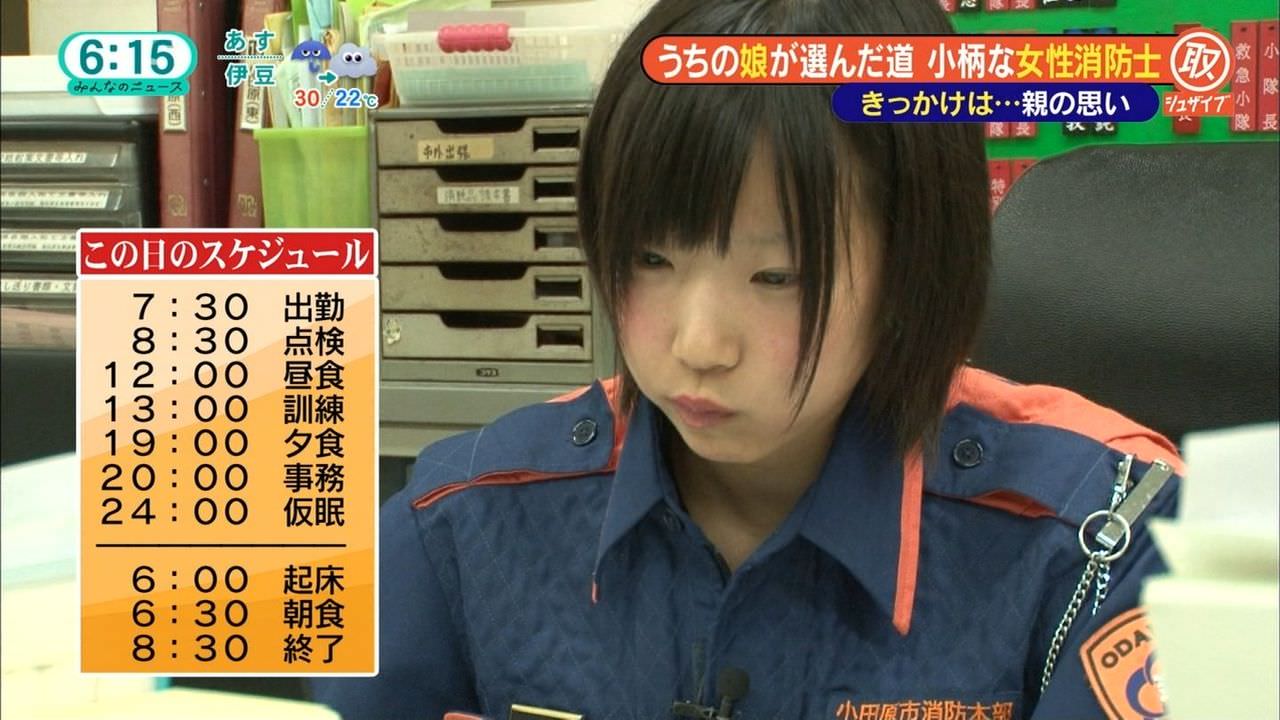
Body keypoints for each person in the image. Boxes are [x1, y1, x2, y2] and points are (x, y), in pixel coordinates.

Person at [313, 0, 1182, 717]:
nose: (698, 346)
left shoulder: (1099, 543)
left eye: (777, 276)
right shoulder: (460, 525)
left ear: (914, 263)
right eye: (651, 259)